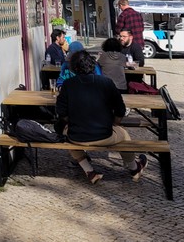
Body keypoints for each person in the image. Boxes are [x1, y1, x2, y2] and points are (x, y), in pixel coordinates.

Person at [55, 50, 148, 185]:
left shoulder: (68, 85)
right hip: (104, 135)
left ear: (74, 68)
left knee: (66, 134)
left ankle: (89, 171)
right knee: (125, 135)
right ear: (93, 65)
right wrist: (116, 123)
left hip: (77, 137)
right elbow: (120, 109)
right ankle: (134, 168)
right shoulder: (106, 83)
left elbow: (61, 112)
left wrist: (73, 122)